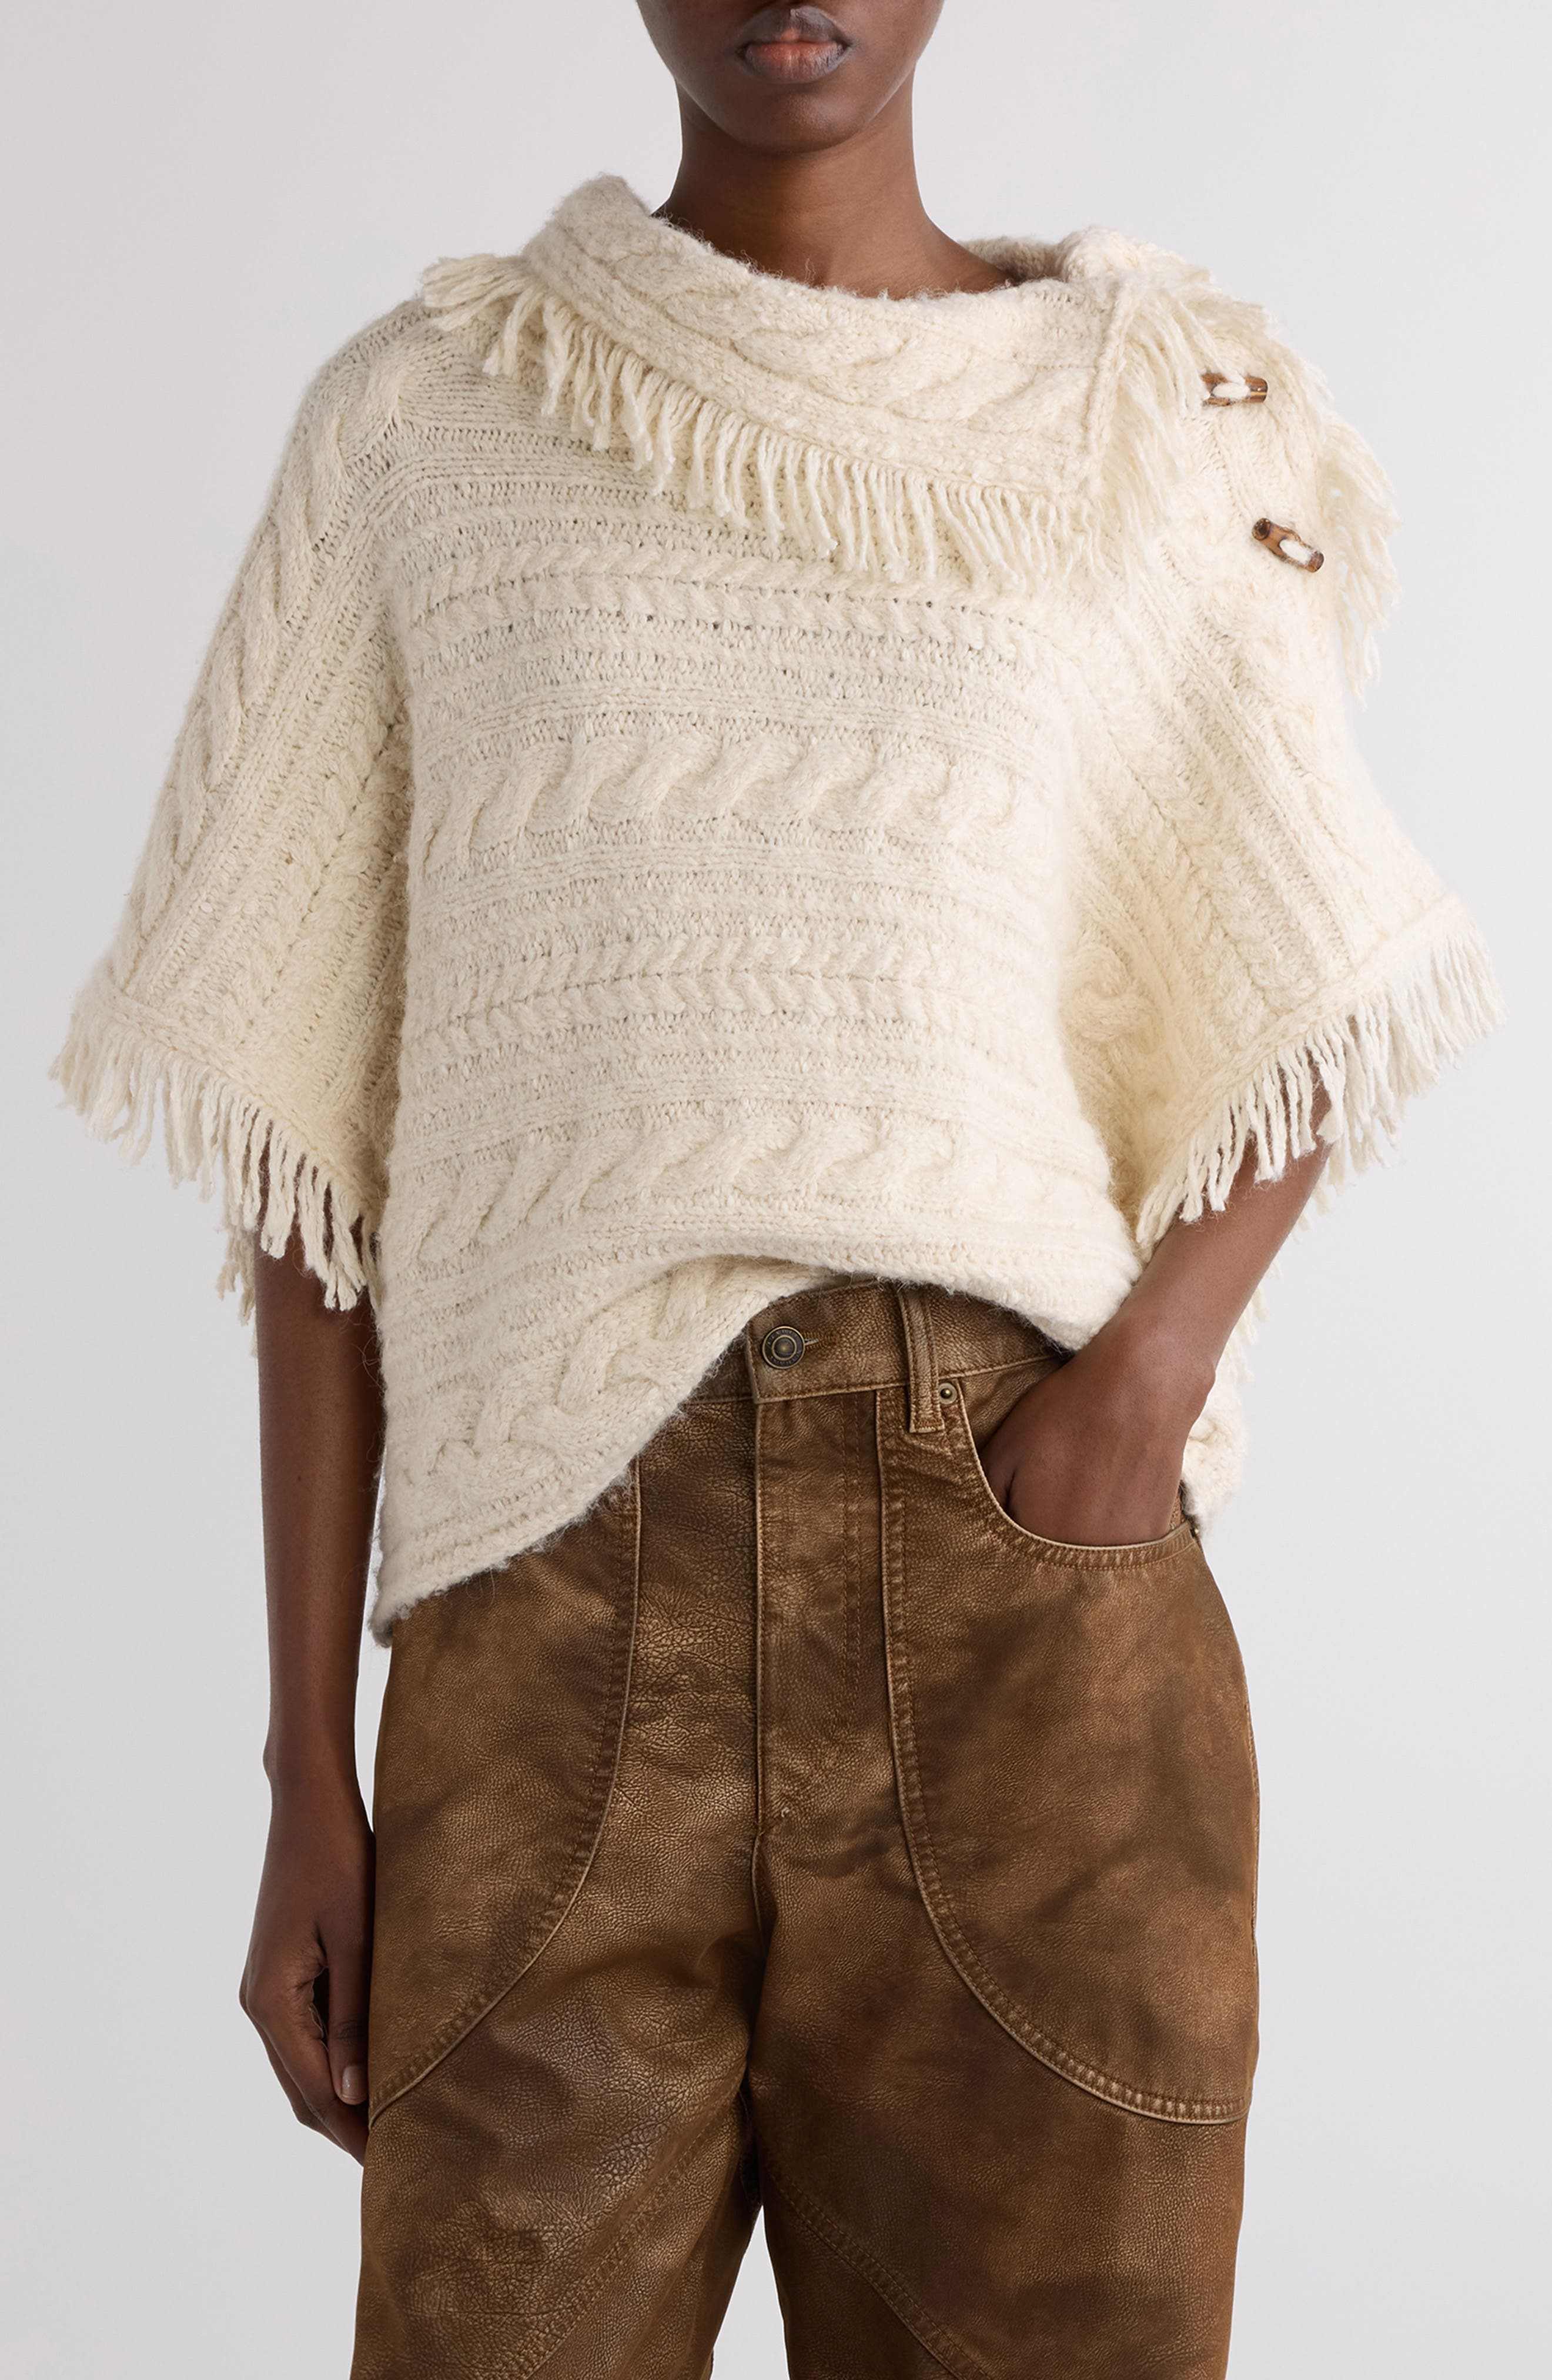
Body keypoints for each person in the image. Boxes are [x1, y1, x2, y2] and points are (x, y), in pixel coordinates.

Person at [55, 3, 1501, 2372]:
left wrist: (1136, 1397)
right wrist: (308, 1762)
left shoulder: (1142, 405)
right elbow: (318, 1161)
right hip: (544, 1610)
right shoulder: (429, 422)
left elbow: (1314, 953)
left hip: (1028, 1605)